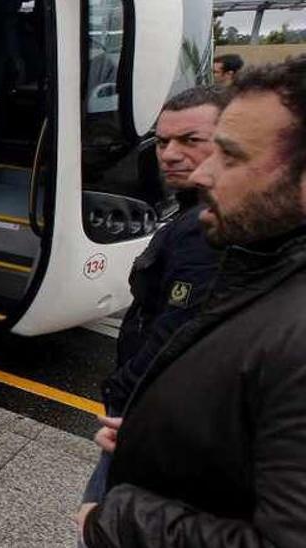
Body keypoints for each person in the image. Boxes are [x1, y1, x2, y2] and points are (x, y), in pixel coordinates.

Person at [81, 56, 306, 547]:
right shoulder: (255, 253)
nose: (201, 172)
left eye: (228, 154)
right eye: (162, 142)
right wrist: (160, 434)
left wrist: (115, 520)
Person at [76, 85, 228, 527]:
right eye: (162, 142)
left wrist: (122, 391)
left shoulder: (211, 229)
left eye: (190, 140)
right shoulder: (191, 211)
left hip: (146, 413)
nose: (170, 154)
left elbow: (174, 333)